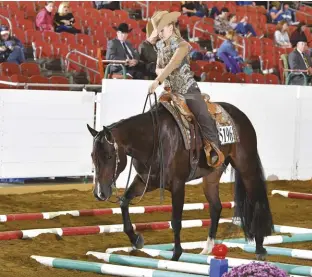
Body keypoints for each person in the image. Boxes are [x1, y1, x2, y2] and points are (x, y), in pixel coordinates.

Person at [148, 11, 224, 168]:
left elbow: (173, 64)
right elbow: (158, 67)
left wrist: (158, 80)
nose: (160, 34)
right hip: (170, 90)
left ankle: (214, 148)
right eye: (158, 31)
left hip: (187, 88)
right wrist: (159, 73)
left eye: (162, 29)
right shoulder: (160, 46)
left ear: (170, 27)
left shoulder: (182, 45)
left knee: (202, 113)